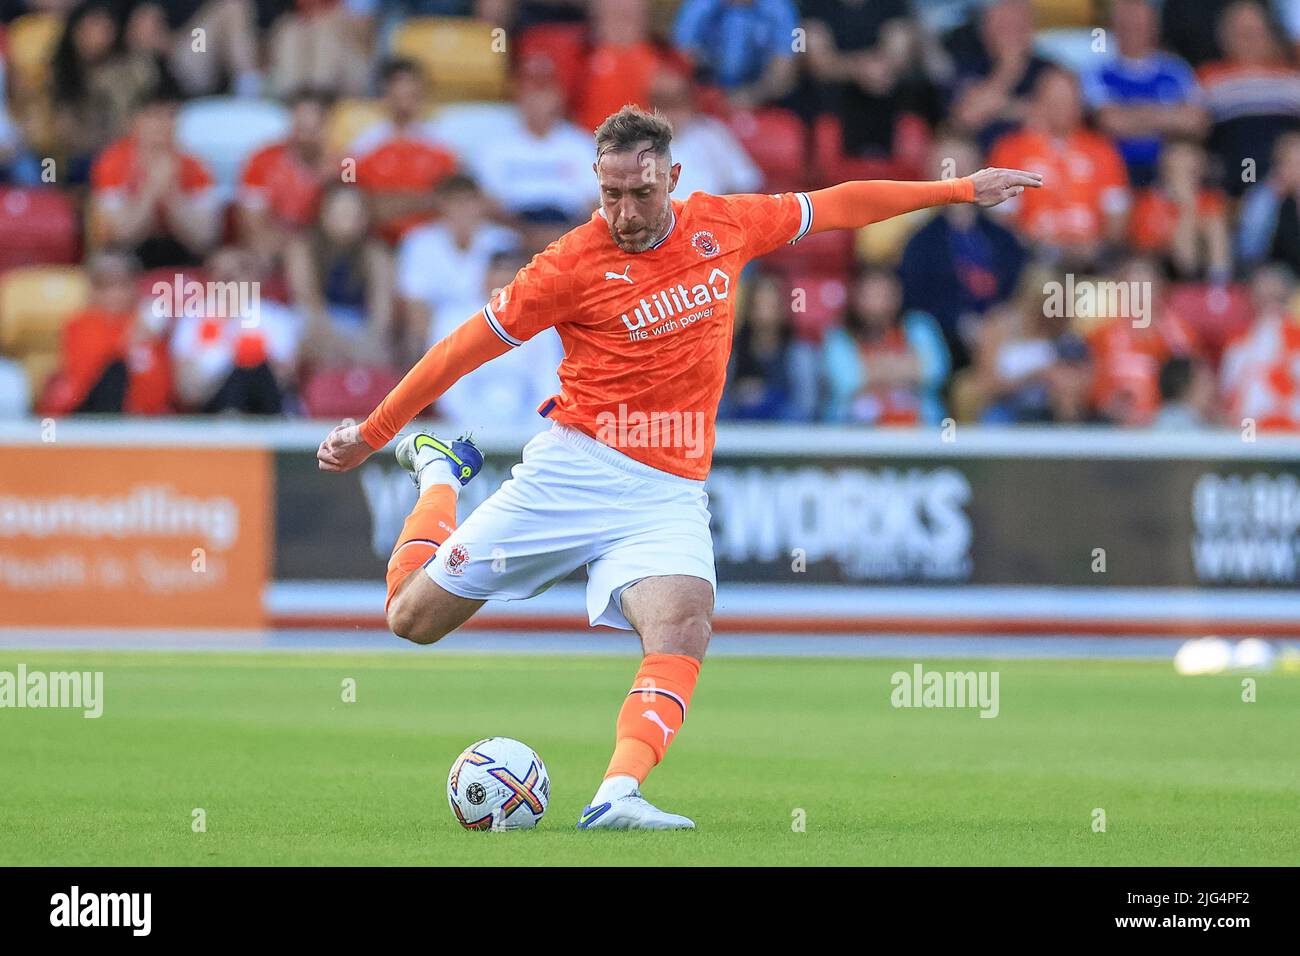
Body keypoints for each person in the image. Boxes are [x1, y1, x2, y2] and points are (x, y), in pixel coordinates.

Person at [315, 104, 1041, 829]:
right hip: (575, 470)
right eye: (610, 195)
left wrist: (956, 191)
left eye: (641, 193)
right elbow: (459, 350)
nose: (625, 212)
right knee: (410, 617)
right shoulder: (568, 264)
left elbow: (839, 205)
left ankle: (616, 794)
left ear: (674, 178)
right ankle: (440, 473)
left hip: (668, 491)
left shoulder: (723, 223)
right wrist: (376, 432)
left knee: (685, 623)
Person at [89, 89, 220, 269]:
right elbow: (120, 235)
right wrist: (150, 189)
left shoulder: (197, 166)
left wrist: (172, 195)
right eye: (154, 116)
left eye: (170, 116)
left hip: (181, 249)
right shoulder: (111, 163)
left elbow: (204, 238)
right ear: (134, 122)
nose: (163, 124)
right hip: (129, 253)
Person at [1082, 0, 1206, 187]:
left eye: (1140, 25)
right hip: (1118, 164)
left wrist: (1131, 115)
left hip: (1168, 165)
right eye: (1127, 25)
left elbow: (1196, 121)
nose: (1134, 30)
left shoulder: (1176, 69)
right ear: (1115, 27)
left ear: (1154, 27)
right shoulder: (1098, 72)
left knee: (1186, 158)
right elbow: (1111, 122)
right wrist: (1169, 116)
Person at [42, 250, 171, 415]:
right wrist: (129, 341)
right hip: (87, 415)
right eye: (104, 285)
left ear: (135, 286)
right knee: (114, 371)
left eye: (121, 284)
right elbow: (86, 377)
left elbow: (160, 387)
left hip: (138, 421)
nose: (114, 294)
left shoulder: (149, 326)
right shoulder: (79, 325)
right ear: (91, 289)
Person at [822, 265, 950, 425]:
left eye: (886, 294)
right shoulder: (839, 335)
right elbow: (848, 382)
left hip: (920, 425)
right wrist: (908, 366)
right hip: (855, 430)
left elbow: (935, 373)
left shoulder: (919, 326)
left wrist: (871, 368)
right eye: (872, 295)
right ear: (857, 297)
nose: (880, 303)